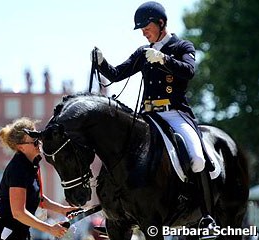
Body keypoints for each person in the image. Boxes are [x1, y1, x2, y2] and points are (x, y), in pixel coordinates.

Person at [90, 0, 217, 234]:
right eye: (141, 29)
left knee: (197, 158)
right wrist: (101, 63)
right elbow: (118, 74)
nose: (143, 33)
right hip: (148, 116)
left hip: (175, 113)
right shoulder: (143, 52)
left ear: (161, 23)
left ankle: (205, 214)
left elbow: (189, 71)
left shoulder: (181, 46)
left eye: (146, 27)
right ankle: (119, 211)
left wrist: (164, 59)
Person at [0, 117, 78, 240]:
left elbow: (37, 198)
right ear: (21, 147)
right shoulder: (18, 168)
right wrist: (50, 229)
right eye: (34, 141)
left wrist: (63, 210)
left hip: (19, 227)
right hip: (6, 228)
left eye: (38, 138)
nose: (39, 143)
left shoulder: (31, 164)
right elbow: (18, 212)